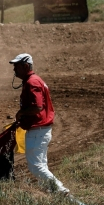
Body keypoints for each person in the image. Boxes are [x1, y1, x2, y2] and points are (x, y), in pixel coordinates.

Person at [9, 53, 69, 194]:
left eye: (16, 66)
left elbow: (37, 107)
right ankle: (50, 190)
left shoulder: (32, 82)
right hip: (41, 130)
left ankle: (59, 189)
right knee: (41, 164)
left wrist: (21, 113)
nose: (14, 70)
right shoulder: (35, 80)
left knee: (36, 167)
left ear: (25, 66)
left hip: (37, 130)